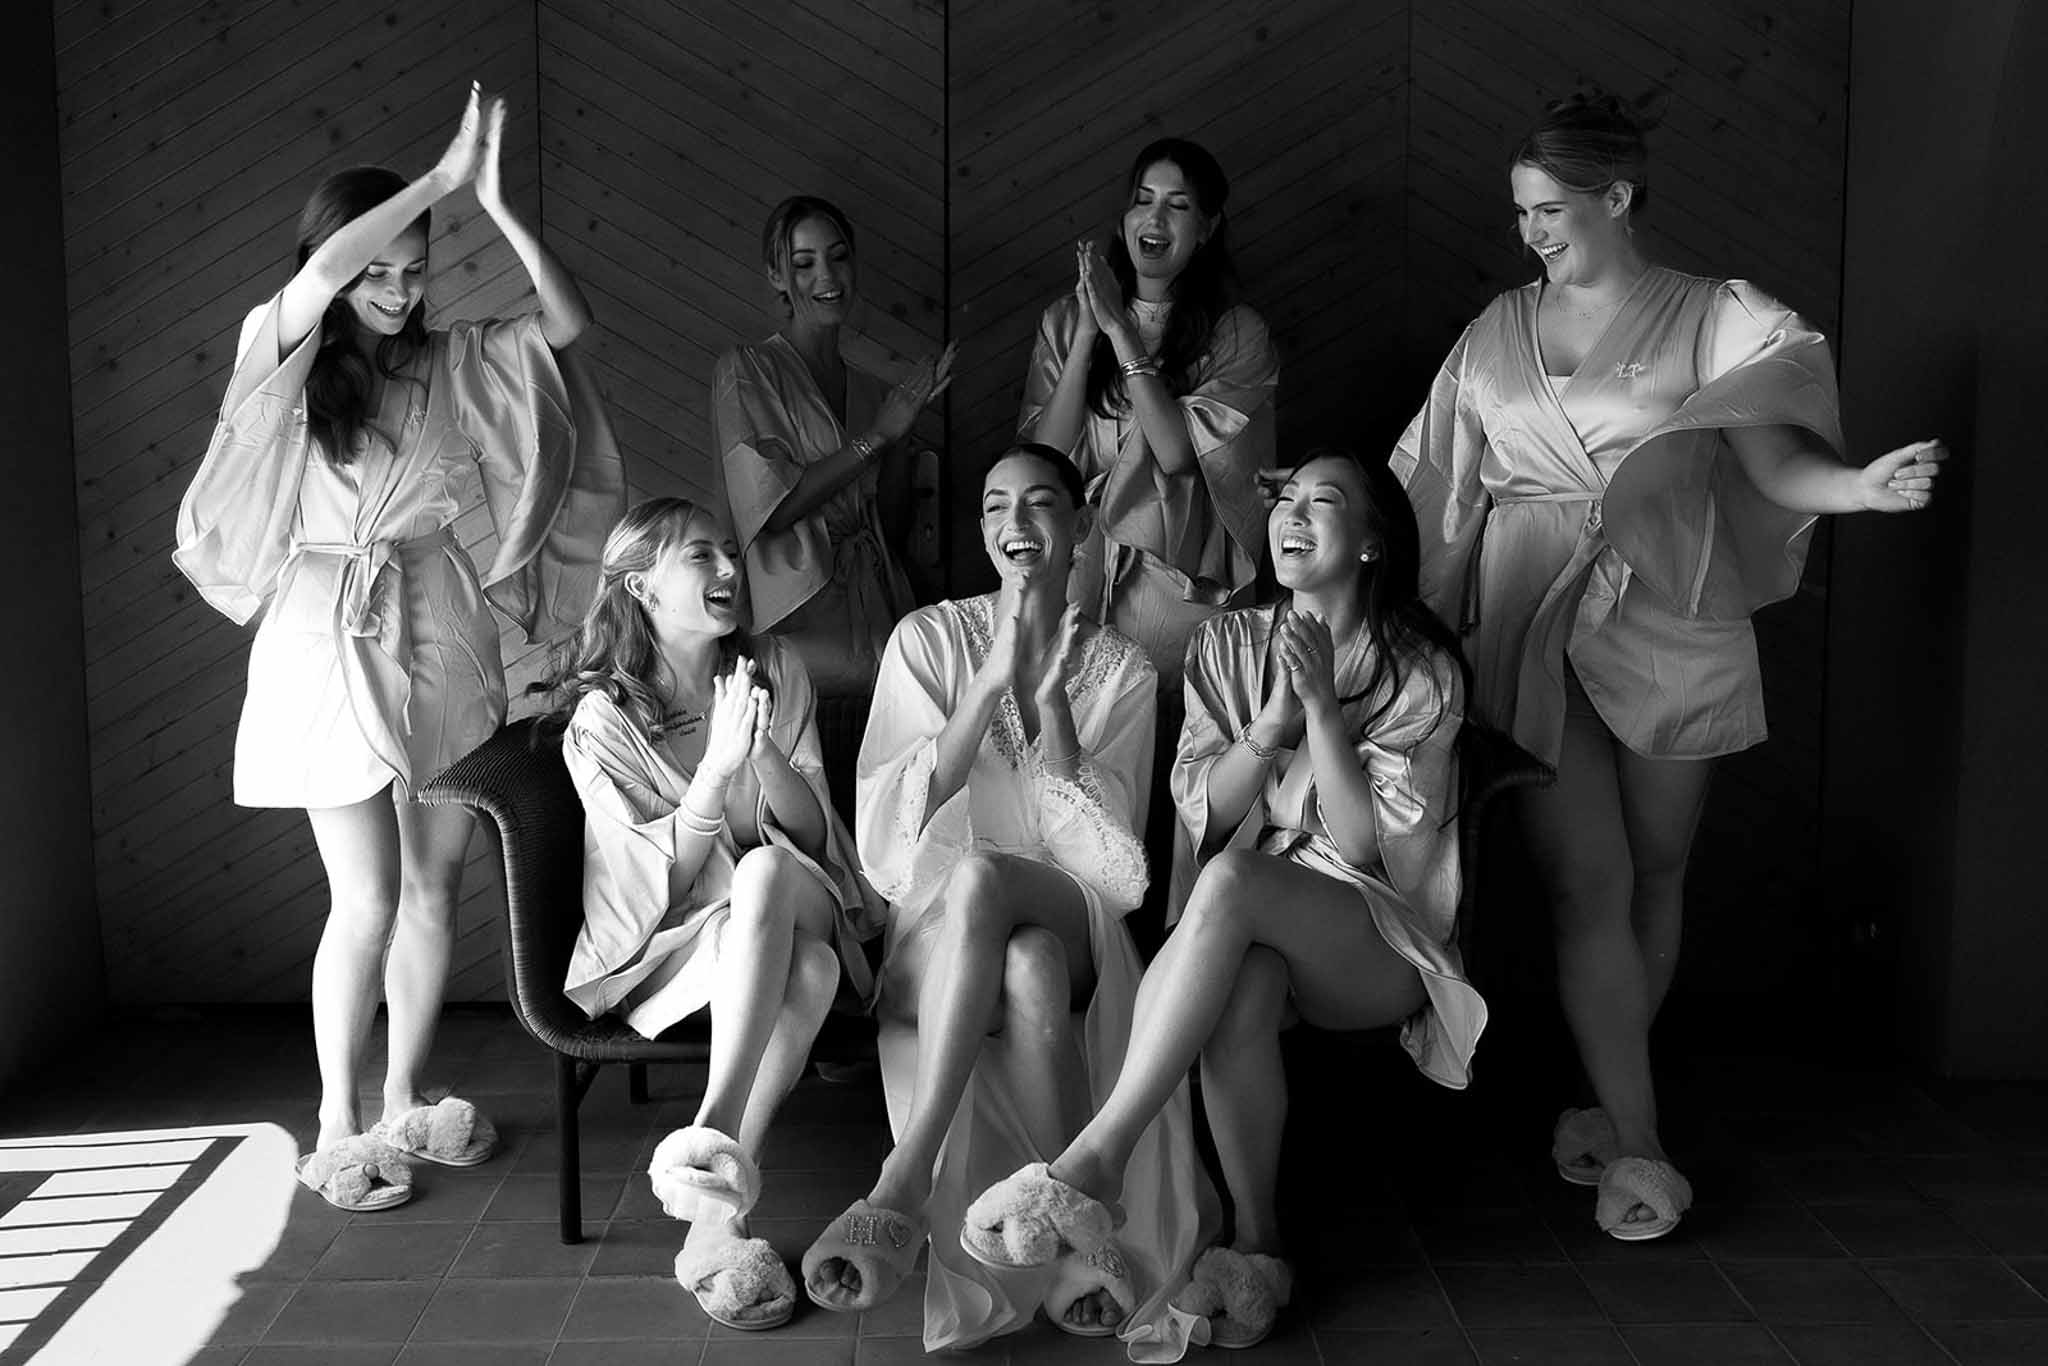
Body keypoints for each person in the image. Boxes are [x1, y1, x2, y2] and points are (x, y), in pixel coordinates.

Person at [1390, 93, 1948, 1241]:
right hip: (1526, 613)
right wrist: (1372, 606)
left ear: (1618, 198)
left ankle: (1604, 1105)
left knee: (1653, 874)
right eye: (1519, 214)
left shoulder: (1711, 313)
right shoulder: (1495, 328)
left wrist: (1856, 488)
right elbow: (1432, 493)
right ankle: (1641, 1150)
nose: (1530, 232)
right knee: (1585, 883)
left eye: (1549, 210)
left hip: (1667, 612)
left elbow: (1776, 454)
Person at [173, 84, 624, 1211]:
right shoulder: (275, 345)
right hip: (326, 629)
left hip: (439, 616)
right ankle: (333, 1122)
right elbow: (322, 281)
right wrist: (433, 177)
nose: (396, 288)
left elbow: (564, 329)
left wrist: (495, 203)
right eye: (380, 269)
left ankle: (406, 1098)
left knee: (436, 882)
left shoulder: (454, 359)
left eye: (415, 268)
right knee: (363, 897)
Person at [963, 449, 1480, 1354]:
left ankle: (1096, 1161)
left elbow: (1369, 849)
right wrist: (1270, 726)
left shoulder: (1422, 669)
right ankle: (1255, 1244)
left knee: (1235, 883)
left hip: (1378, 944)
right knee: (1238, 971)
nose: (1292, 516)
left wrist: (1320, 708)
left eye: (1324, 504)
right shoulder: (1226, 643)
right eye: (1285, 501)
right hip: (1243, 933)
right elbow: (1203, 808)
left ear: (1369, 544)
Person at [800, 444, 1213, 1358]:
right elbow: (893, 840)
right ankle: (1072, 1232)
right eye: (993, 507)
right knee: (1020, 959)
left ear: (1081, 522)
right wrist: (991, 678)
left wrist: (1056, 704)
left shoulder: (1125, 670)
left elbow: (1111, 869)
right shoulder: (927, 640)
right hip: (937, 925)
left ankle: (903, 1182)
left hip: (1073, 907)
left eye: (1039, 504)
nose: (1014, 525)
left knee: (998, 884)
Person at [540, 497, 882, 1331]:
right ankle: (717, 1212)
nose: (730, 571)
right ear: (640, 587)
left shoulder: (775, 666)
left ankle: (714, 1122)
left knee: (768, 868)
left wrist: (759, 748)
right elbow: (644, 880)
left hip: (796, 897)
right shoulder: (603, 719)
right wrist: (714, 769)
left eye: (729, 553)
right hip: (678, 942)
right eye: (701, 557)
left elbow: (810, 833)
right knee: (811, 969)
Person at [1019, 138, 1276, 689]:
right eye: (1143, 199)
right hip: (1075, 569)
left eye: (1178, 205)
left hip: (1175, 586)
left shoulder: (1238, 334)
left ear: (1207, 227)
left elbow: (1178, 455)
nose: (1155, 216)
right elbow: (1045, 458)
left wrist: (1121, 329)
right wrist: (1089, 331)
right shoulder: (1064, 321)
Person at [716, 195, 955, 695]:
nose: (827, 276)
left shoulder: (872, 393)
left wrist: (902, 435)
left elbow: (888, 526)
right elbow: (772, 509)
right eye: (803, 263)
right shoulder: (748, 370)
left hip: (881, 615)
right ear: (776, 275)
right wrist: (879, 437)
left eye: (838, 256)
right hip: (801, 622)